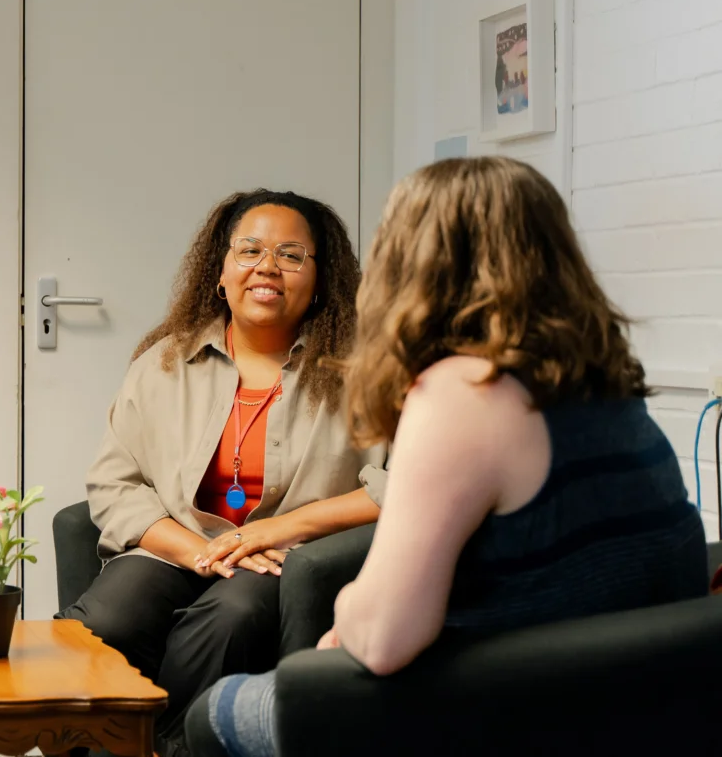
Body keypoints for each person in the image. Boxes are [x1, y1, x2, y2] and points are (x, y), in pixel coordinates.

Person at [188, 157, 709, 757]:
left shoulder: (464, 391)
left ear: (417, 264)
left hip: (508, 712)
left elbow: (382, 641)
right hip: (638, 707)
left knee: (216, 712)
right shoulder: (605, 377)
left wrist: (345, 623)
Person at [60, 190, 387, 756]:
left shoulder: (364, 371)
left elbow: (397, 485)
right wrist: (198, 552)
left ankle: (167, 748)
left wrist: (275, 531)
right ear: (221, 271)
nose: (267, 267)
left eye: (291, 254)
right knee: (109, 617)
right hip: (178, 545)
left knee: (232, 616)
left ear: (321, 276)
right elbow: (115, 484)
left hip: (284, 561)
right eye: (250, 250)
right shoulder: (165, 363)